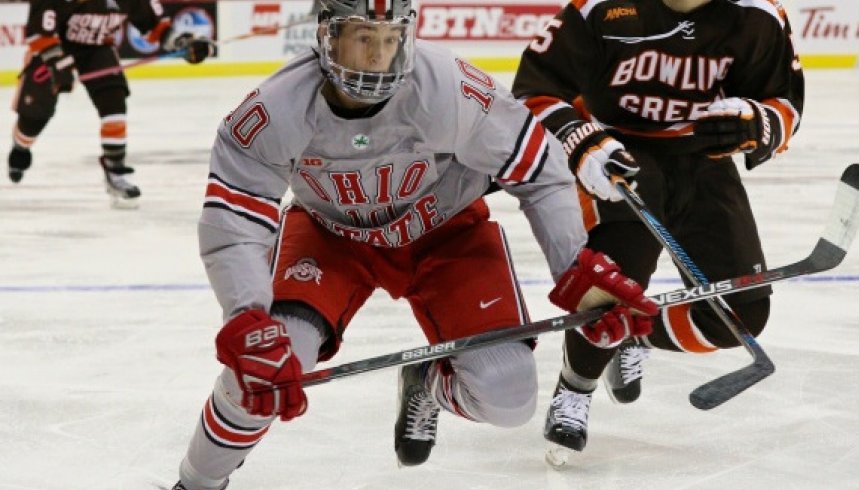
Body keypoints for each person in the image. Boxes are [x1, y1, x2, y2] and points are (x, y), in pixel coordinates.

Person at [170, 0, 660, 488]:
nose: (379, 56)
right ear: (326, 36)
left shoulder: (449, 88)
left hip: (446, 232)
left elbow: (539, 171)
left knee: (508, 397)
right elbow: (234, 220)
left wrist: (573, 271)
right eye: (363, 37)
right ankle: (195, 484)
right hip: (331, 236)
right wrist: (247, 316)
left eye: (390, 38)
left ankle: (426, 384)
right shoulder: (274, 110)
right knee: (262, 367)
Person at [512, 0, 804, 454]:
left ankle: (632, 332)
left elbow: (783, 103)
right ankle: (576, 385)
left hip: (704, 163)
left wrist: (757, 123)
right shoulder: (598, 10)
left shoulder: (757, 16)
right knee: (614, 278)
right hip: (616, 154)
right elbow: (532, 91)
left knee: (741, 318)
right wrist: (578, 140)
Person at [7, 0, 213, 207]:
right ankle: (21, 145)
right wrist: (56, 63)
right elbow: (40, 31)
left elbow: (158, 28)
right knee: (35, 117)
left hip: (97, 49)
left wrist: (184, 43)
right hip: (54, 47)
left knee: (114, 104)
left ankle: (115, 170)